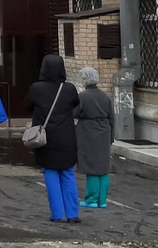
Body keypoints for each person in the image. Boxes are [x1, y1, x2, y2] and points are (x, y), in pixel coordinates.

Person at [26, 54, 81, 223]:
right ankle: (73, 214)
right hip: (66, 137)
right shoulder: (69, 88)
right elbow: (75, 103)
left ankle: (57, 214)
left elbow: (27, 106)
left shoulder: (36, 88)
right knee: (68, 173)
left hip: (46, 138)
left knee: (50, 173)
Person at [75, 66, 115, 209]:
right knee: (103, 167)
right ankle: (102, 200)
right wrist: (111, 138)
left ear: (85, 81)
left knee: (91, 166)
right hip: (104, 132)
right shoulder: (105, 96)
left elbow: (74, 113)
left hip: (88, 132)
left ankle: (91, 199)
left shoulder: (82, 96)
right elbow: (111, 117)